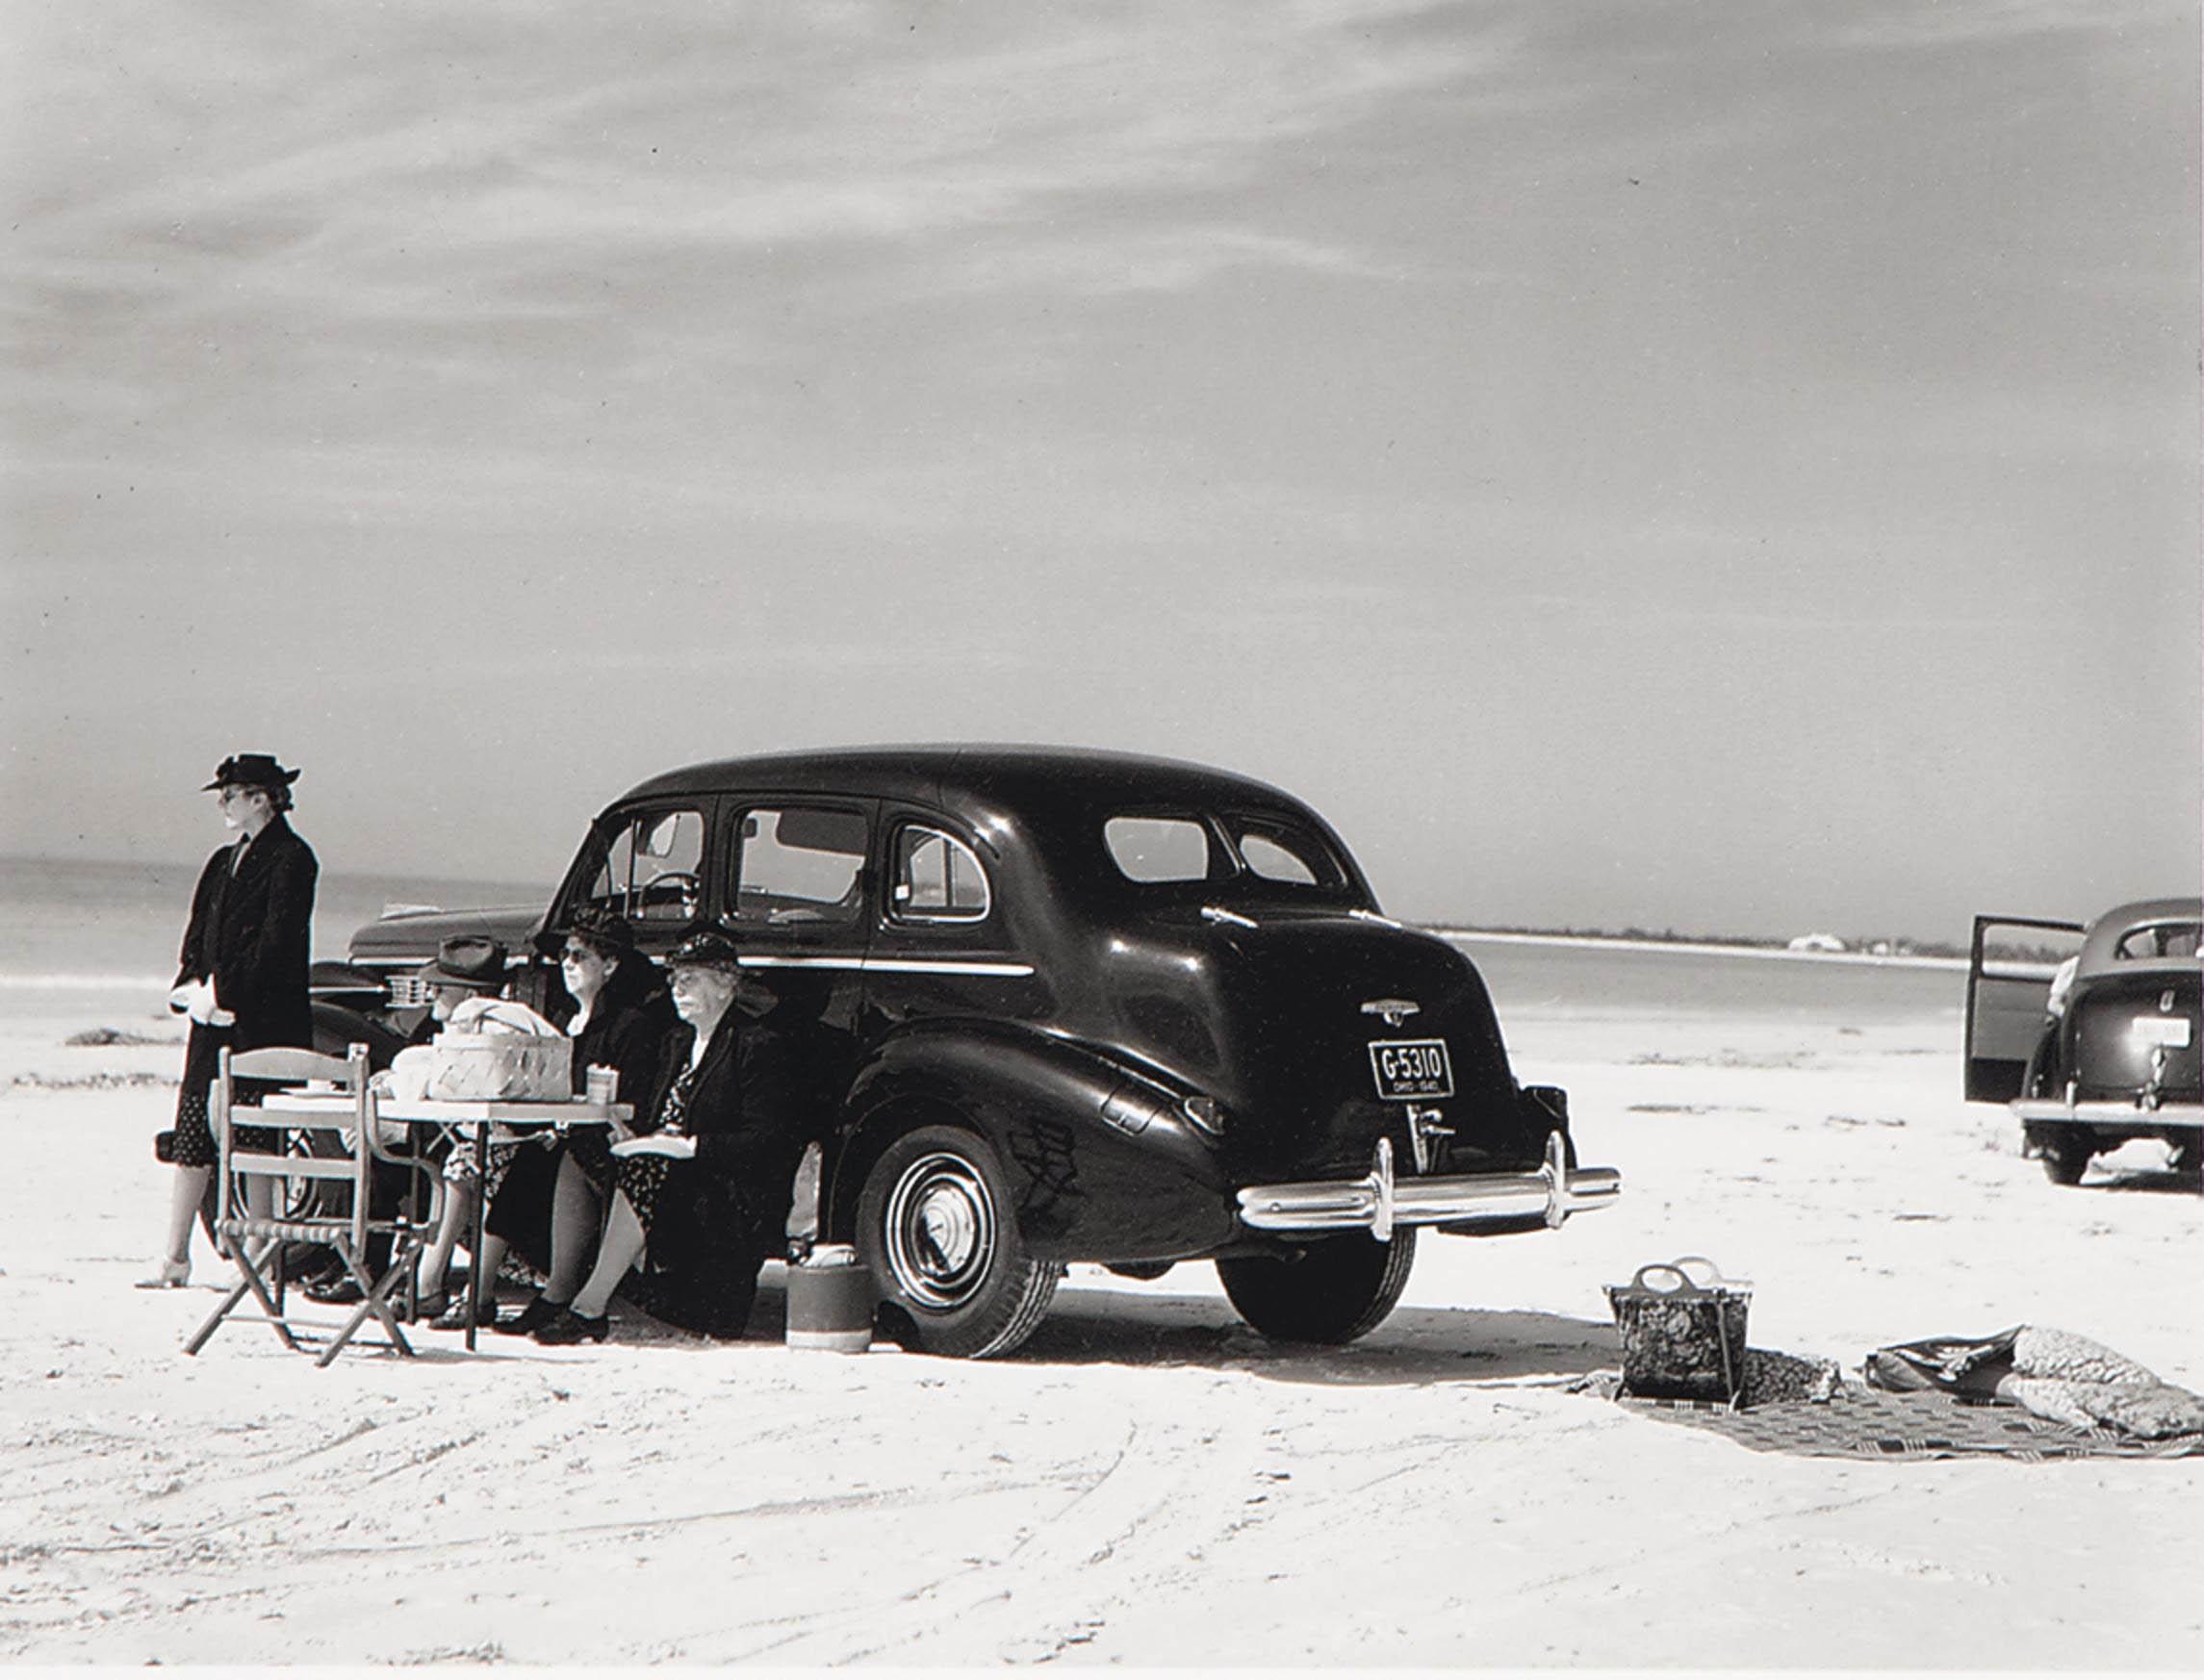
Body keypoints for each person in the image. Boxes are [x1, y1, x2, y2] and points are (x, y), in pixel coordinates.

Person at [532, 929, 805, 1345]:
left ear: (726, 983)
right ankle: (560, 1289)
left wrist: (689, 1146)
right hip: (673, 1172)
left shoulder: (754, 1045)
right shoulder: (677, 1043)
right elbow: (658, 1115)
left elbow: (767, 1141)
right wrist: (632, 1131)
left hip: (724, 1189)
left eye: (690, 980)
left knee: (646, 1165)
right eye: (675, 980)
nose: (678, 990)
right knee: (582, 1150)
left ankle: (589, 1307)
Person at [141, 752, 318, 1288]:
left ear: (261, 797)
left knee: (257, 1137)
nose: (223, 802)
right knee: (194, 1130)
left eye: (231, 793)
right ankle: (174, 1256)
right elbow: (200, 932)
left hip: (261, 1020)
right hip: (212, 1017)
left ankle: (260, 1257)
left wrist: (227, 991)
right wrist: (192, 984)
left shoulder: (293, 858)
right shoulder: (223, 859)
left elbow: (278, 942)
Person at [493, 908, 675, 1336]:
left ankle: (560, 1293)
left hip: (605, 1139)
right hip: (562, 1134)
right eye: (565, 955)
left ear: (610, 966)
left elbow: (632, 1101)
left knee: (566, 1156)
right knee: (513, 1160)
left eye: (579, 956)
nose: (567, 965)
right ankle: (508, 1292)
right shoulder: (560, 1021)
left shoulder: (629, 1027)